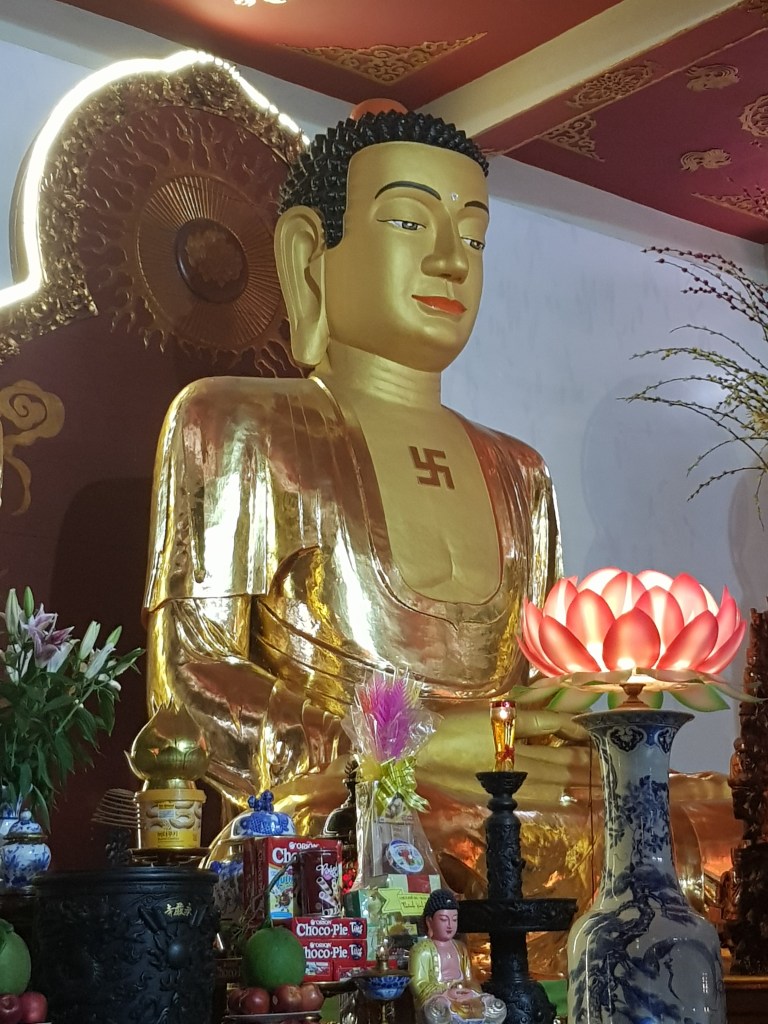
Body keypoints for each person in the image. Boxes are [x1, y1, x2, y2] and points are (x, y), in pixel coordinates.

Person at [143, 103, 734, 972]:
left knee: (714, 823)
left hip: (509, 787)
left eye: (475, 235)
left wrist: (590, 734)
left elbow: (539, 691)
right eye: (408, 222)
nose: (452, 259)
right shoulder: (234, 420)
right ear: (308, 254)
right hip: (358, 793)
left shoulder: (520, 470)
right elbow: (194, 682)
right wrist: (398, 749)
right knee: (354, 839)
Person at [409, 889, 505, 1024]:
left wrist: (470, 990)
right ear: (429, 922)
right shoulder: (421, 949)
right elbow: (418, 984)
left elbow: (470, 978)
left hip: (464, 996)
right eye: (444, 920)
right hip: (440, 998)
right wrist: (447, 992)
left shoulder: (461, 947)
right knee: (437, 1011)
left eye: (454, 920)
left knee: (495, 1007)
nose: (450, 925)